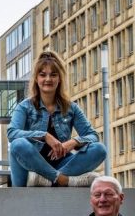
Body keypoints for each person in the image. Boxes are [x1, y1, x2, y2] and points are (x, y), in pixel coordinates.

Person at [7, 50, 106, 188]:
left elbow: (93, 136)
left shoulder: (71, 108)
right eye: (43, 75)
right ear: (36, 78)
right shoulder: (24, 107)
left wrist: (73, 142)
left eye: (53, 75)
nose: (48, 79)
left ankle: (50, 179)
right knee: (18, 144)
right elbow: (11, 133)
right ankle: (60, 180)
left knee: (99, 149)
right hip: (29, 170)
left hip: (62, 164)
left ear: (59, 79)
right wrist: (44, 135)